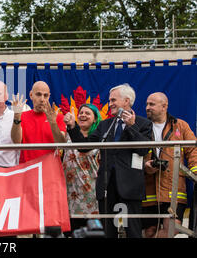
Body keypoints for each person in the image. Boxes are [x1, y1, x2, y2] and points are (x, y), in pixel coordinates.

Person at [64, 83, 153, 238]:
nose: (110, 103)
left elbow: (143, 150)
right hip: (106, 186)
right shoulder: (106, 124)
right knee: (108, 232)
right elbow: (84, 147)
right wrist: (72, 127)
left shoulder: (143, 123)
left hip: (130, 188)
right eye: (110, 100)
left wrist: (131, 126)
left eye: (113, 100)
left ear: (126, 101)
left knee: (132, 231)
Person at [143, 92, 197, 238]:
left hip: (173, 188)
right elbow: (133, 154)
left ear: (164, 106)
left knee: (172, 229)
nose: (147, 107)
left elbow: (193, 150)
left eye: (152, 104)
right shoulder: (141, 126)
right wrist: (145, 166)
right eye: (147, 104)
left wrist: (195, 172)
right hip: (148, 189)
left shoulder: (180, 125)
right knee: (149, 231)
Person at [62, 104, 101, 235]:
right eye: (81, 112)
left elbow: (84, 148)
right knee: (71, 232)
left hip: (90, 193)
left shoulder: (98, 136)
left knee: (91, 232)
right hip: (70, 193)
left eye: (87, 113)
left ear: (95, 119)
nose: (83, 115)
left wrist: (73, 127)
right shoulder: (67, 135)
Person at [11, 81, 67, 163]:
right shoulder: (22, 116)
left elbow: (61, 144)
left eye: (45, 95)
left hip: (51, 168)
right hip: (28, 168)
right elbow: (16, 142)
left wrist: (53, 123)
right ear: (31, 95)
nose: (42, 99)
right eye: (38, 94)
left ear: (49, 96)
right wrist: (16, 117)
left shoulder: (58, 117)